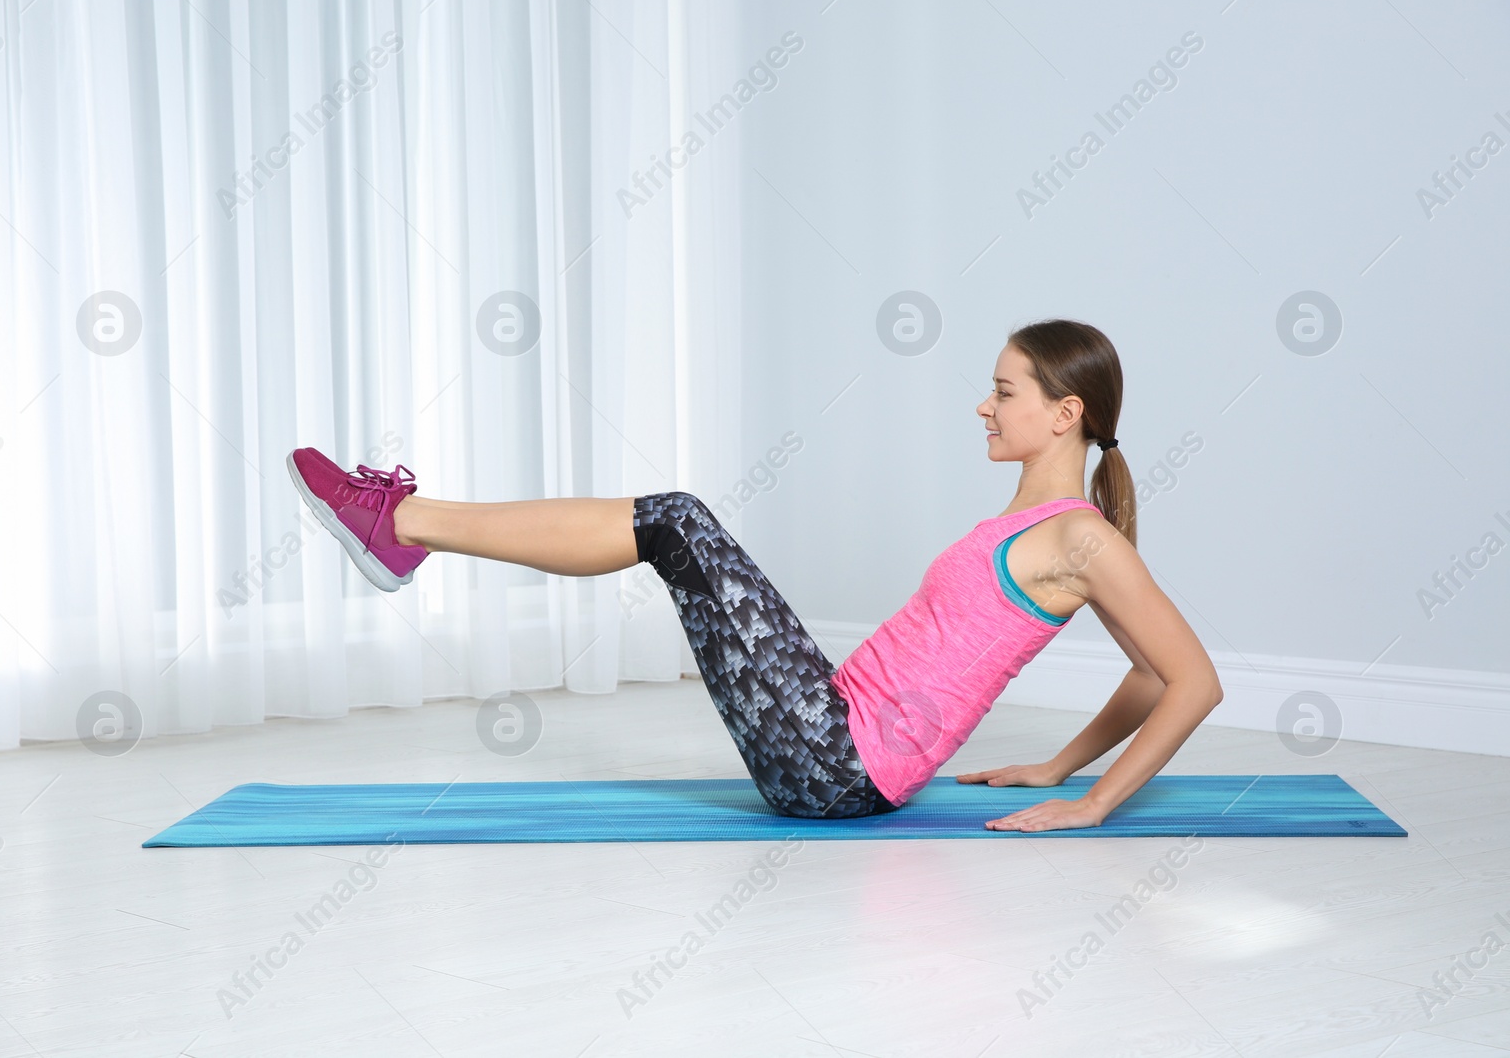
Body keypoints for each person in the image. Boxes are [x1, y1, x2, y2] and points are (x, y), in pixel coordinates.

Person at [285, 319, 1223, 833]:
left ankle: (401, 522)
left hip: (838, 766)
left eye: (1005, 389)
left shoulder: (1085, 540)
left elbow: (1189, 679)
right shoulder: (1025, 524)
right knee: (676, 525)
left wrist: (1092, 803)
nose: (983, 403)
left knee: (677, 521)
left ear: (1064, 414)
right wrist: (1055, 761)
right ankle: (402, 526)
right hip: (829, 725)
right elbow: (1145, 668)